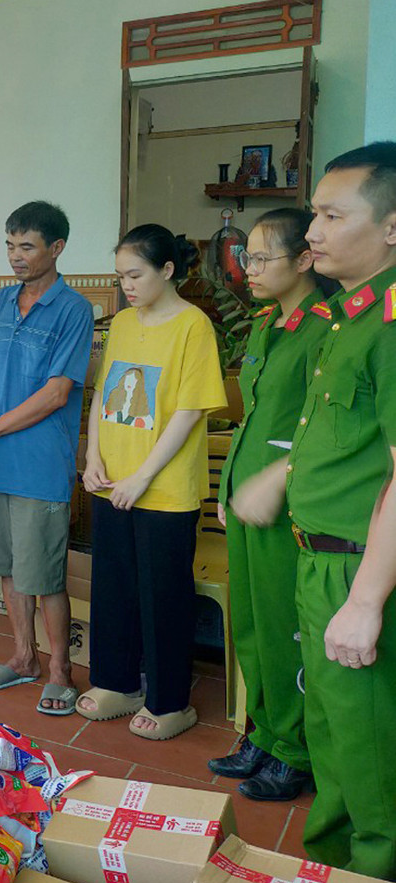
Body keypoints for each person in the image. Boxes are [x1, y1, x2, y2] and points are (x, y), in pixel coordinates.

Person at [238, 142, 396, 877]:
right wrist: (286, 472)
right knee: (333, 747)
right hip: (317, 555)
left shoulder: (391, 324)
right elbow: (348, 439)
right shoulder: (349, 319)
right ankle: (331, 874)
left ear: (392, 226)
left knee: (368, 765)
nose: (314, 234)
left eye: (333, 216)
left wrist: (366, 599)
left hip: (360, 567)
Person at [76, 225, 225, 741]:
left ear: (167, 270)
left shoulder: (193, 325)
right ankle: (117, 683)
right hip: (112, 479)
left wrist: (142, 476)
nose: (126, 286)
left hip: (162, 487)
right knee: (112, 587)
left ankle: (169, 702)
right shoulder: (120, 321)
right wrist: (93, 455)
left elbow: (187, 412)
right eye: (120, 277)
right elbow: (102, 394)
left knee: (162, 594)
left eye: (135, 275)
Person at [208, 208, 334, 801]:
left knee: (288, 628)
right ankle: (264, 730)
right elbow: (253, 421)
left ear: (305, 259)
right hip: (247, 500)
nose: (246, 269)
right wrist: (229, 488)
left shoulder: (325, 330)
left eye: (260, 258)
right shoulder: (264, 325)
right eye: (245, 258)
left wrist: (270, 485)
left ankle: (295, 747)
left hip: (288, 505)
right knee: (254, 623)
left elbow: (316, 430)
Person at [0, 202, 94, 715]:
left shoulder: (74, 311)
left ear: (56, 249)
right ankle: (23, 656)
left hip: (39, 463)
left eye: (27, 247)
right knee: (9, 568)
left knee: (44, 573)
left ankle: (61, 669)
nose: (16, 257)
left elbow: (57, 392)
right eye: (10, 245)